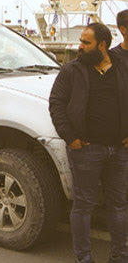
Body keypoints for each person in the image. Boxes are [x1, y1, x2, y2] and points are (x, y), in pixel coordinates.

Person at [49, 22, 128, 263]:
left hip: (119, 150)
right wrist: (70, 138)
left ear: (102, 45)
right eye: (81, 41)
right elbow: (56, 104)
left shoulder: (122, 68)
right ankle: (83, 257)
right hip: (85, 150)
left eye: (86, 42)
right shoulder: (72, 70)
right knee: (84, 205)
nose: (79, 46)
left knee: (119, 204)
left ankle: (120, 255)